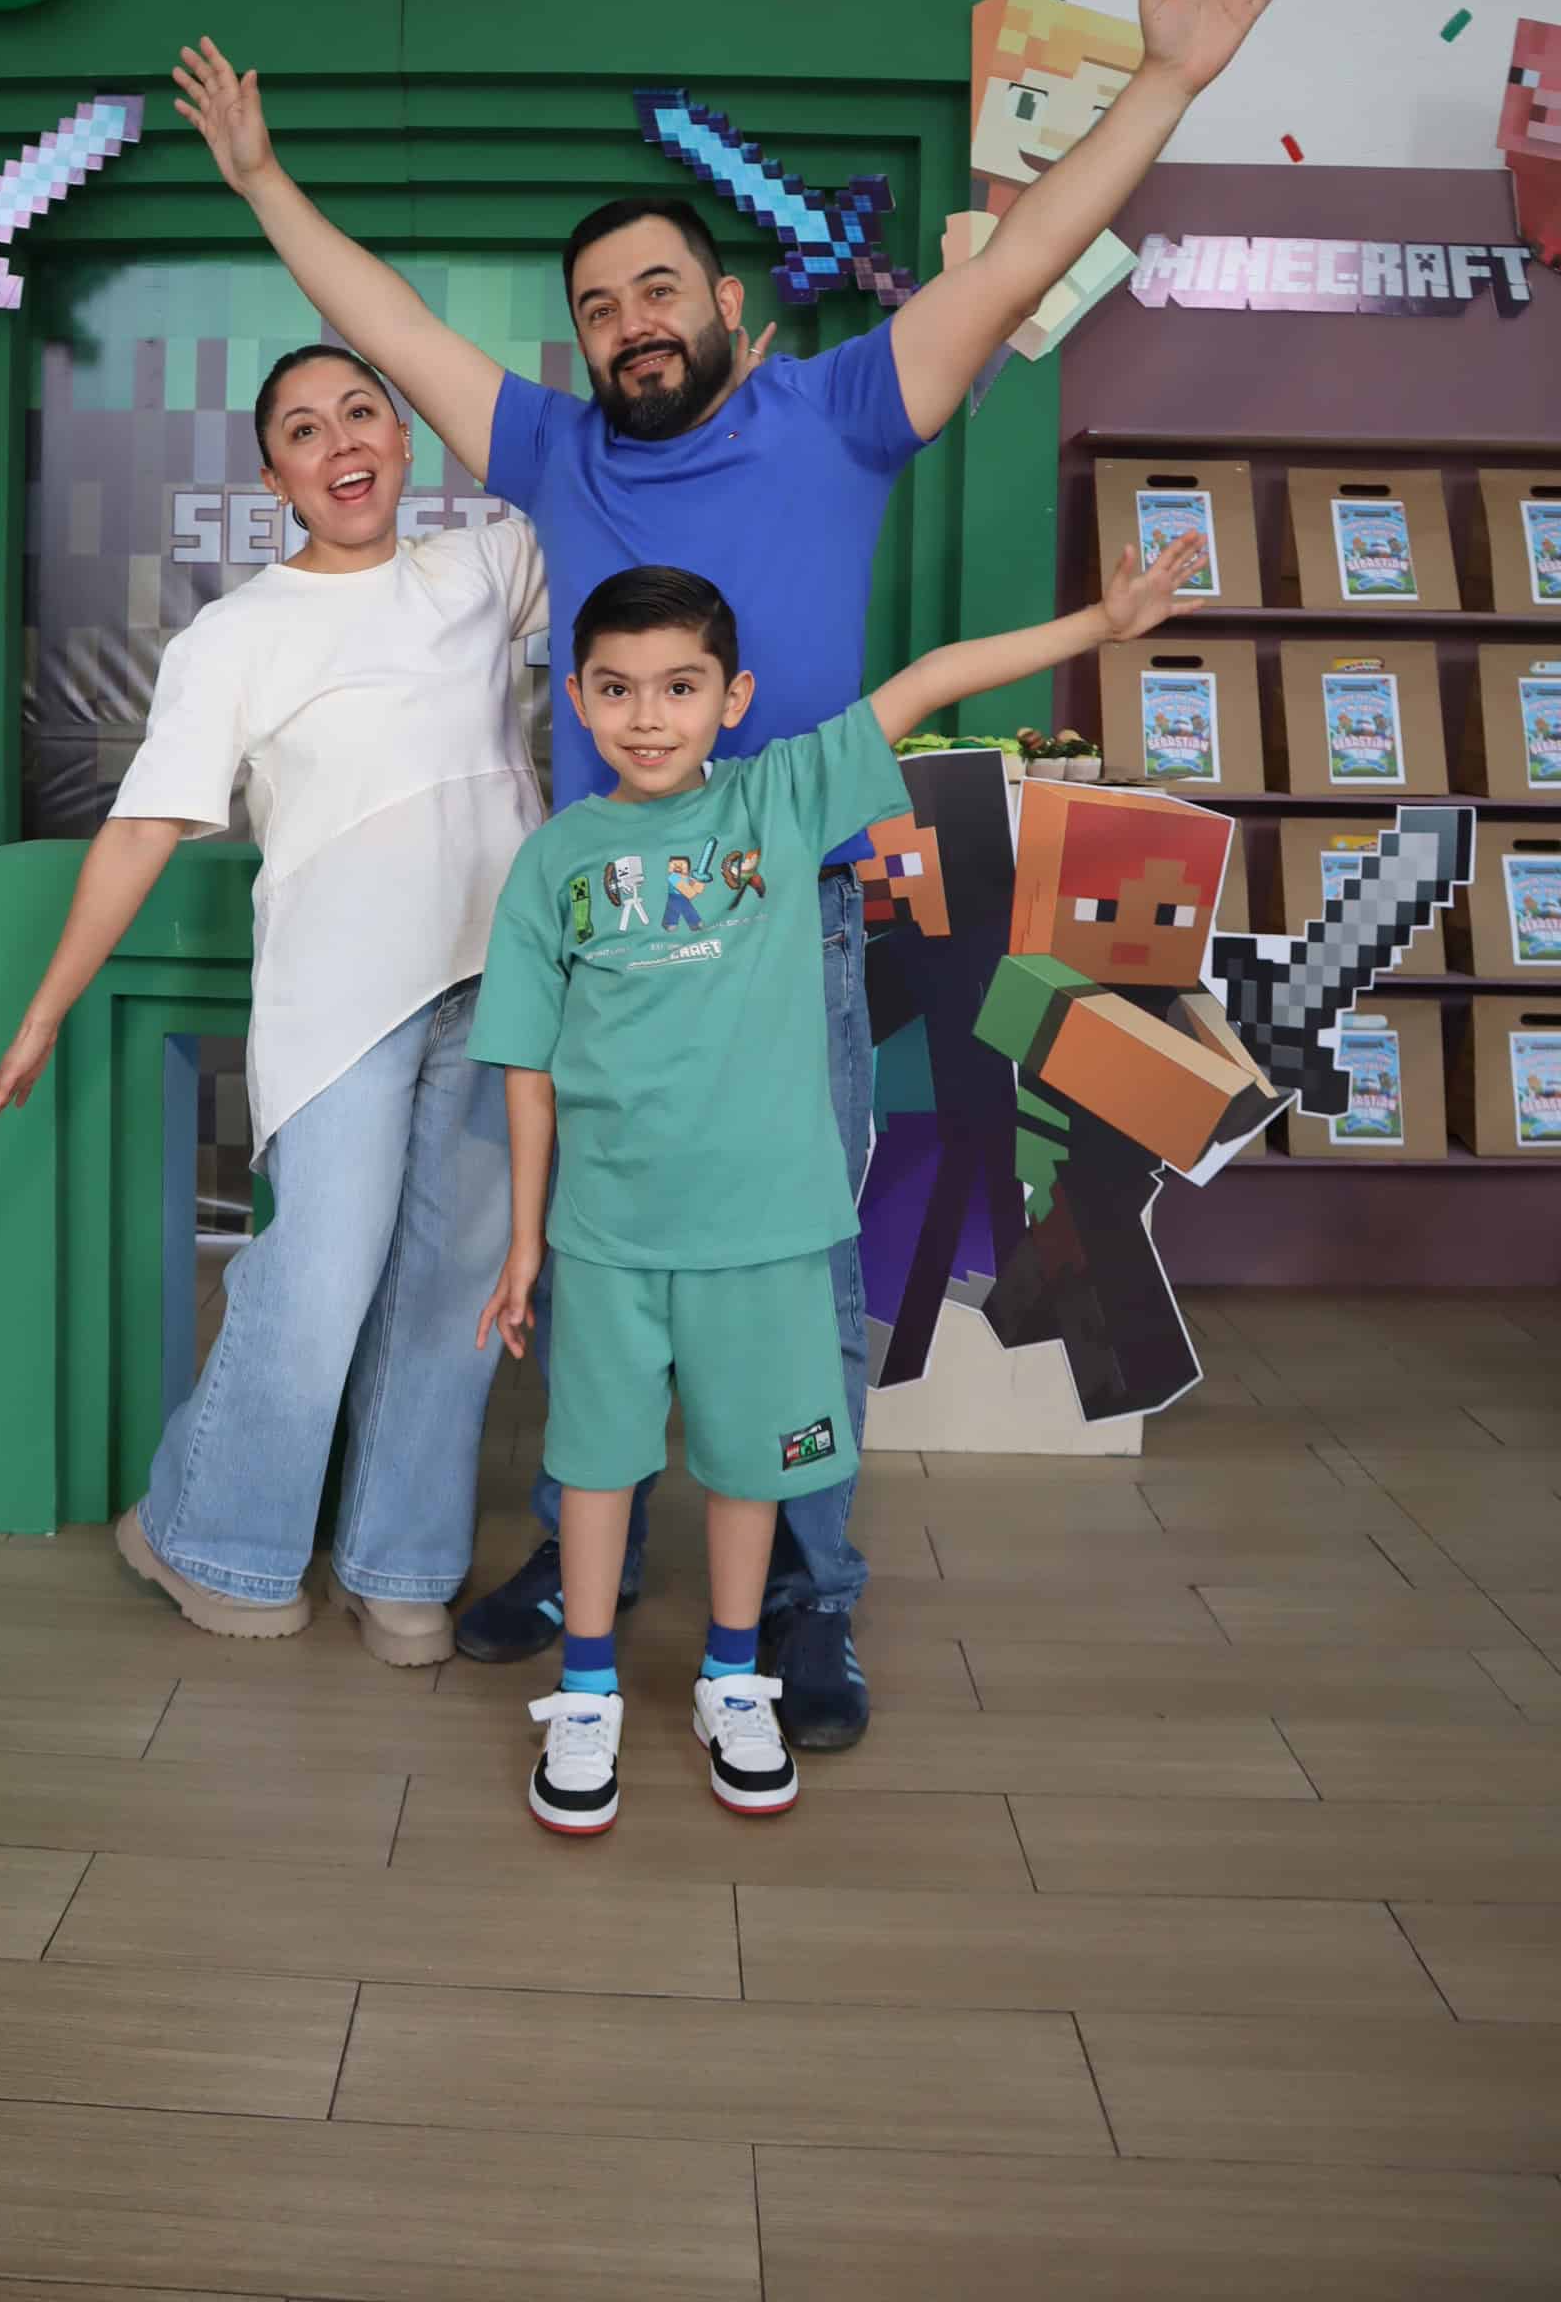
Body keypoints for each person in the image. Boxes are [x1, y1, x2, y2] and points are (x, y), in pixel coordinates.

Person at [173, 0, 1290, 1748]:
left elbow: (1021, 261)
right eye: (599, 308)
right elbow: (385, 323)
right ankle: (586, 1563)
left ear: (730, 314)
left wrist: (1165, 85)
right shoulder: (550, 449)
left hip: (791, 934)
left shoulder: (842, 410)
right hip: (603, 939)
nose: (630, 325)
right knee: (592, 1260)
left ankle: (818, 1605)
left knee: (796, 1274)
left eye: (657, 292)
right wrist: (265, 181)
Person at [468, 529, 1210, 1832]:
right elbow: (526, 1070)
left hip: (766, 1233)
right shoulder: (552, 863)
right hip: (607, 1237)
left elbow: (927, 682)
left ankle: (732, 1681)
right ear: (576, 698)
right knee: (595, 1466)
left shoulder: (780, 802)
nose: (649, 717)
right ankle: (584, 1697)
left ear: (732, 699)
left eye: (681, 686)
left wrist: (1100, 626)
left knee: (753, 1464)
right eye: (618, 689)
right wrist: (525, 1243)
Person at [0, 343, 546, 1664]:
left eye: (362, 413)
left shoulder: (485, 564)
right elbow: (139, 830)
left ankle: (402, 1564)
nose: (341, 444)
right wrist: (44, 1013)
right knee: (322, 1276)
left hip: (501, 983)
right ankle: (204, 1534)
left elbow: (619, 498)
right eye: (303, 429)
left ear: (406, 438)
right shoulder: (235, 635)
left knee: (455, 1284)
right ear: (274, 477)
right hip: (341, 1001)